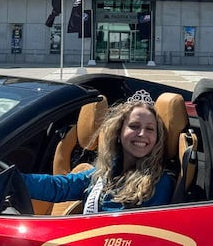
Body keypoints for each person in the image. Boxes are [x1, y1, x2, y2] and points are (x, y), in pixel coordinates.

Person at [24, 91, 174, 213]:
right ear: (118, 133)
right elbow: (59, 187)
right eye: (134, 126)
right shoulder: (102, 173)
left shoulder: (158, 181)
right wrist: (14, 180)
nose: (142, 134)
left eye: (150, 129)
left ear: (157, 137)